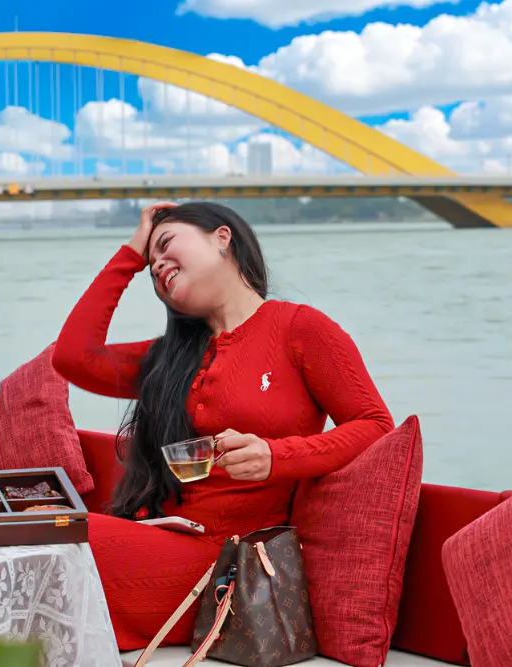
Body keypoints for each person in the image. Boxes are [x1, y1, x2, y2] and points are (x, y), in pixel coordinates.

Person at [52, 201, 394, 650]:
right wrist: (131, 254)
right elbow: (72, 357)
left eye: (167, 244)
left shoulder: (299, 329)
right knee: (47, 534)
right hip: (166, 538)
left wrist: (277, 456)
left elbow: (375, 425)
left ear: (222, 237)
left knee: (58, 533)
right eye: (151, 267)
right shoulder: (169, 359)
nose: (157, 267)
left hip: (233, 571)